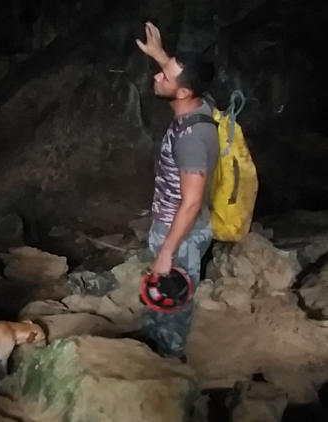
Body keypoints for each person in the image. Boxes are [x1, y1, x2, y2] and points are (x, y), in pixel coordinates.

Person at [135, 21, 219, 357]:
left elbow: (192, 201)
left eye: (165, 76)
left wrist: (167, 251)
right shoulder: (199, 105)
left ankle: (168, 355)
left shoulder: (191, 139)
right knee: (160, 290)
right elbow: (185, 79)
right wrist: (160, 55)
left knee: (174, 296)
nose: (157, 76)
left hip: (180, 230)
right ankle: (152, 338)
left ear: (183, 93)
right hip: (177, 224)